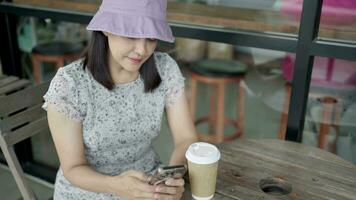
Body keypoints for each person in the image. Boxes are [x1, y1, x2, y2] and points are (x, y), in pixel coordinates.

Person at [42, 0, 198, 199]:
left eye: (151, 37)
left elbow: (186, 138)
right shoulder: (70, 85)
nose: (142, 50)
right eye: (131, 34)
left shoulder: (165, 69)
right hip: (88, 191)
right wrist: (117, 186)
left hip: (150, 185)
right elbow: (73, 168)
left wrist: (171, 180)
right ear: (106, 28)